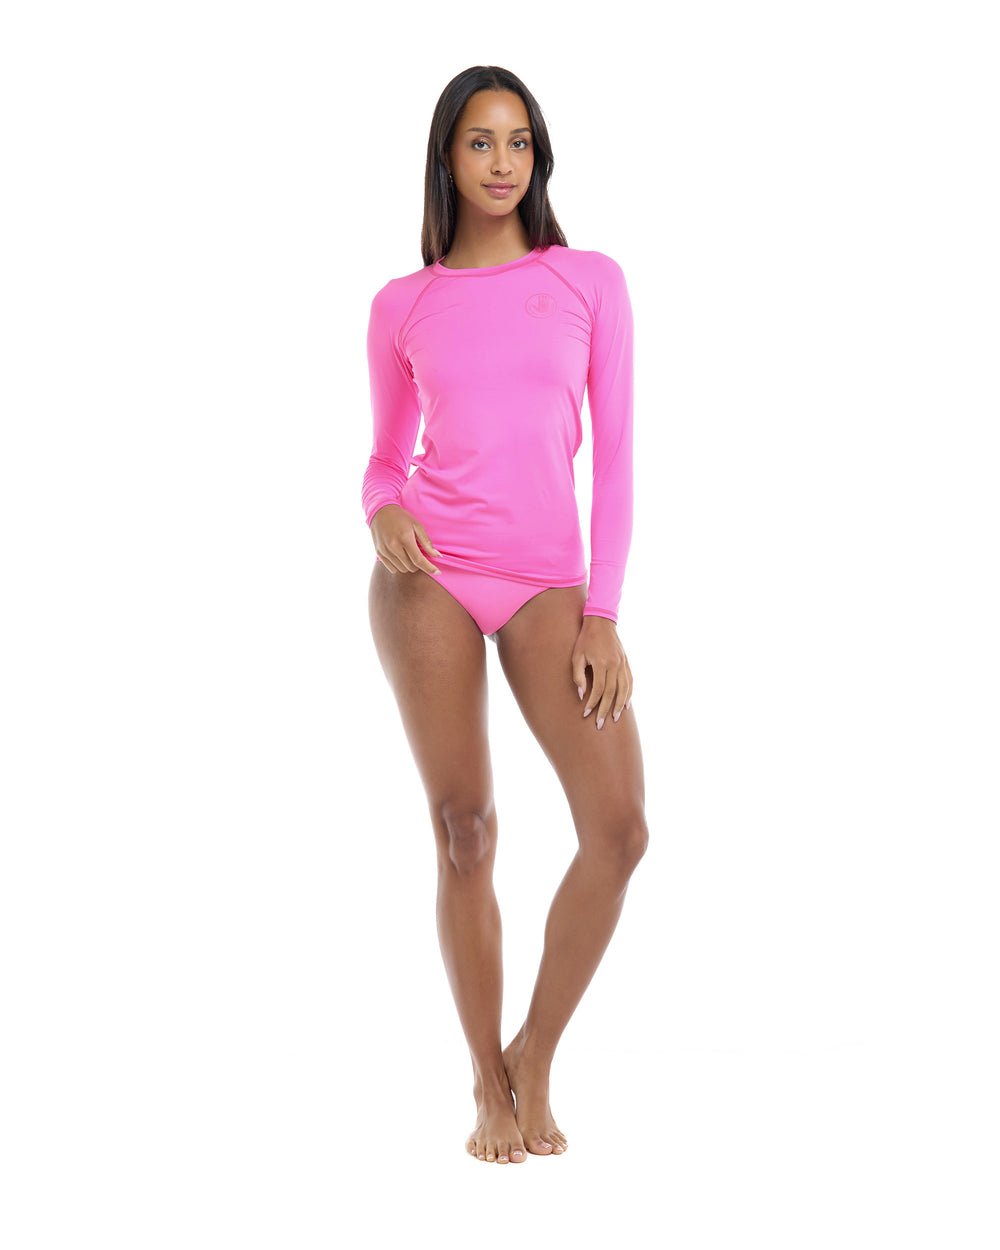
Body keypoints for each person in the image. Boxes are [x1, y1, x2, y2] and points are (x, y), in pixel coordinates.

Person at [362, 65, 648, 1165]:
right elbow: (384, 459)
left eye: (518, 141)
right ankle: (486, 1080)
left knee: (618, 829)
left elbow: (616, 458)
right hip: (430, 572)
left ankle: (534, 1050)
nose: (501, 162)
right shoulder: (403, 303)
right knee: (465, 827)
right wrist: (384, 508)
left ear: (539, 157)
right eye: (479, 142)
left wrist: (603, 611)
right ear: (447, 156)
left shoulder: (588, 281)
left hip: (550, 585)